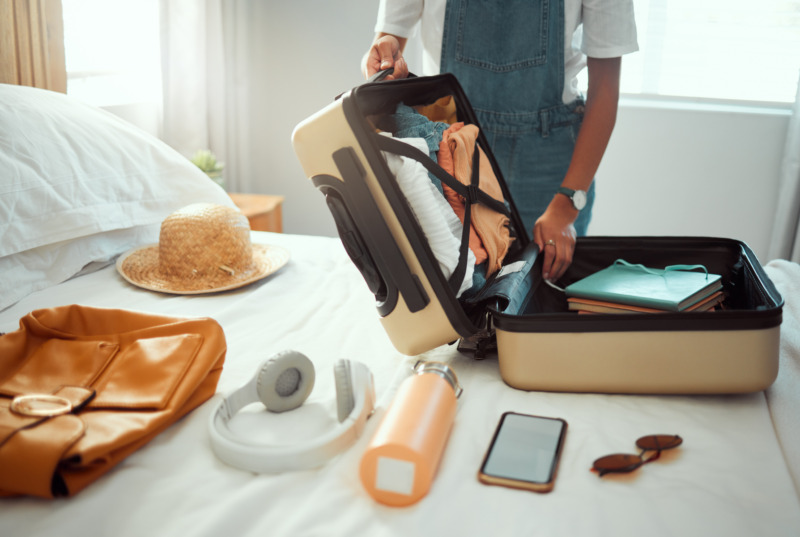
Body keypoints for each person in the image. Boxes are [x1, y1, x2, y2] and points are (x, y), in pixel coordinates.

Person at [362, 0, 638, 281]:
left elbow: (605, 87)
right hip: (451, 154)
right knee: (452, 295)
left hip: (549, 169)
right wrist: (381, 62)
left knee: (537, 303)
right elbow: (387, 41)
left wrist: (568, 202)